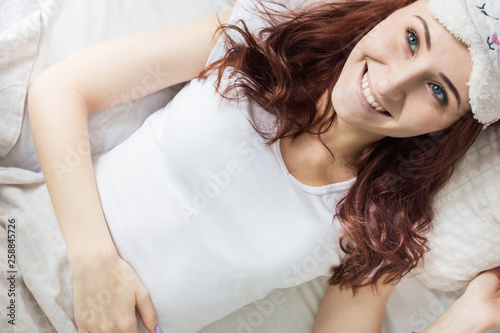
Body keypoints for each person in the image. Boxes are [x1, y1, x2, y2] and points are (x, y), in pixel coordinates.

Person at [27, 0, 500, 332]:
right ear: (391, 12)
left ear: (451, 127)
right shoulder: (261, 43)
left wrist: (466, 322)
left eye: (439, 92)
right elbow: (60, 90)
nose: (394, 82)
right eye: (412, 38)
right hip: (21, 254)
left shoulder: (380, 218)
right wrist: (94, 263)